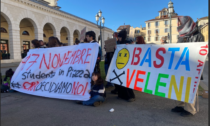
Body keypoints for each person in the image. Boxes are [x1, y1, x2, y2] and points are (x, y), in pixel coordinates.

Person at [171, 16, 204, 117]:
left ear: (186, 23)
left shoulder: (198, 35)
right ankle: (181, 105)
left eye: (180, 22)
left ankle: (190, 109)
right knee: (180, 87)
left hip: (192, 67)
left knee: (190, 88)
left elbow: (198, 52)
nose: (178, 25)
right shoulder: (181, 36)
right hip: (181, 67)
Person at [111, 29, 135, 102]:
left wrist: (129, 47)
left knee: (125, 82)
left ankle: (130, 96)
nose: (119, 39)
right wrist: (114, 49)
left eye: (120, 37)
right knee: (118, 82)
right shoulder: (118, 43)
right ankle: (121, 95)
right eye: (119, 37)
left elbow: (132, 52)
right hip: (118, 65)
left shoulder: (128, 43)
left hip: (126, 65)